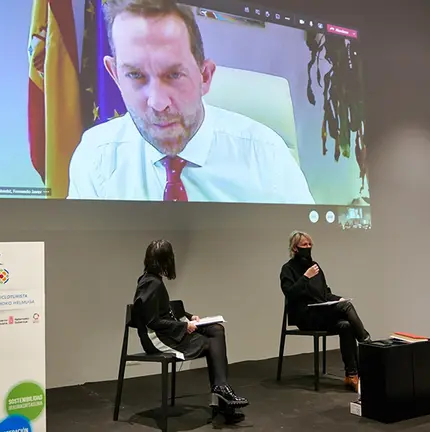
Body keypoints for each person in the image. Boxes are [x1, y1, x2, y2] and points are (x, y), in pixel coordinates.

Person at [67, 0, 314, 204]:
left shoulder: (267, 156)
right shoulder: (95, 158)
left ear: (205, 76)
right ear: (115, 75)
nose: (158, 103)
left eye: (174, 74)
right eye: (135, 75)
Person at [132, 239, 248, 422]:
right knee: (212, 343)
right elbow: (152, 321)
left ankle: (222, 392)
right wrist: (184, 326)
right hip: (157, 339)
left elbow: (163, 309)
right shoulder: (151, 283)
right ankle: (223, 399)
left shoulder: (151, 280)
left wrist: (188, 316)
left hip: (165, 333)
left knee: (216, 330)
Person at [279, 230, 371, 392]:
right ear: (295, 248)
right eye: (304, 245)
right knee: (347, 308)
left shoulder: (315, 267)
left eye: (310, 244)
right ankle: (366, 342)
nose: (308, 247)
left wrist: (338, 298)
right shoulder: (288, 269)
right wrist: (305, 277)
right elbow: (290, 293)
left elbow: (325, 293)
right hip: (305, 317)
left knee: (346, 325)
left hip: (321, 313)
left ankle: (352, 375)